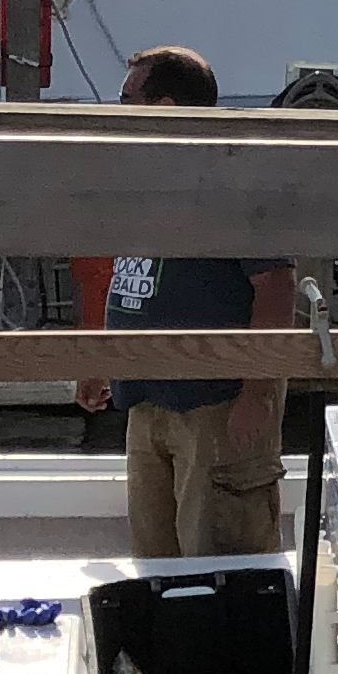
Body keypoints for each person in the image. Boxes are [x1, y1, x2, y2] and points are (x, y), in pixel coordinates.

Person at [77, 47, 295, 560]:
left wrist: (257, 394)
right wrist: (96, 359)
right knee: (155, 566)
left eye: (128, 98)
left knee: (222, 568)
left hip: (216, 404)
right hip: (146, 400)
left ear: (165, 105)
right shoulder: (139, 184)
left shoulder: (227, 180)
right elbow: (125, 276)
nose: (119, 108)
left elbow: (277, 287)